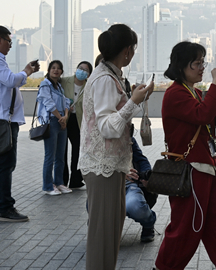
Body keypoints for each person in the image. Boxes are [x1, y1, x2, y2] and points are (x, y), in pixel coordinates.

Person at [154, 42, 216, 270]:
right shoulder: (174, 94)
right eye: (196, 63)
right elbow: (203, 114)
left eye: (202, 63)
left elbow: (215, 120)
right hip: (191, 171)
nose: (201, 67)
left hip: (207, 168)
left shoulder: (194, 92)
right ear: (181, 66)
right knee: (186, 227)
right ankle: (164, 267)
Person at [79, 24, 153, 270]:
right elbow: (108, 127)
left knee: (110, 233)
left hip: (110, 166)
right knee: (103, 236)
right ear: (127, 51)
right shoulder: (105, 79)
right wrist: (133, 102)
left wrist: (132, 99)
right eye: (132, 48)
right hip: (103, 167)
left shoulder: (109, 75)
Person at [0, 25, 40, 222]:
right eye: (9, 41)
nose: (10, 45)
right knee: (4, 164)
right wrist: (27, 71)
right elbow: (11, 81)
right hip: (0, 121)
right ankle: (5, 208)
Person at [37, 60, 72, 195]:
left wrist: (66, 116)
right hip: (52, 121)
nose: (56, 70)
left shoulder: (59, 87)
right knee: (50, 156)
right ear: (49, 70)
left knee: (60, 156)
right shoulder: (46, 84)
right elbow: (49, 103)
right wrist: (60, 118)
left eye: (58, 68)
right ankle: (48, 186)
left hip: (62, 122)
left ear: (62, 72)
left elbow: (67, 102)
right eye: (53, 68)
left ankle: (59, 183)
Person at [60, 60, 93, 189]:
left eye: (85, 70)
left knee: (78, 151)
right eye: (80, 68)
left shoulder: (89, 86)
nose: (82, 71)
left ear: (89, 74)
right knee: (62, 151)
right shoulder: (65, 81)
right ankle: (62, 179)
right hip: (64, 119)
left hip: (79, 122)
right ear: (76, 69)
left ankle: (76, 179)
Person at [126, 136, 158, 243]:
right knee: (93, 207)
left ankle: (149, 222)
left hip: (129, 184)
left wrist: (146, 176)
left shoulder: (128, 137)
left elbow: (141, 159)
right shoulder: (97, 138)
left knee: (135, 205)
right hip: (107, 186)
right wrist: (119, 172)